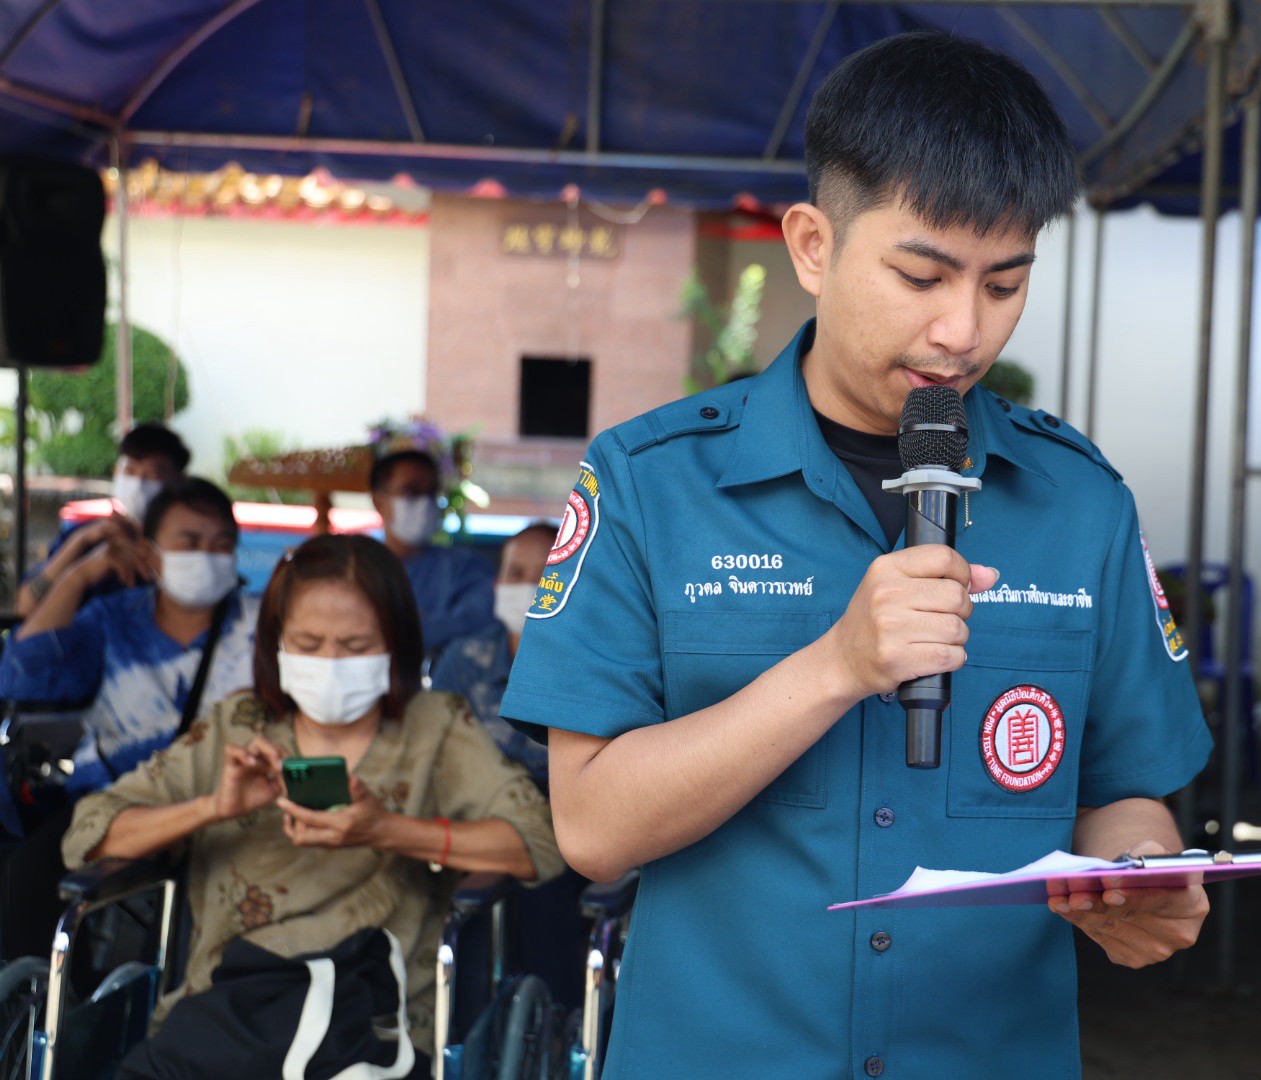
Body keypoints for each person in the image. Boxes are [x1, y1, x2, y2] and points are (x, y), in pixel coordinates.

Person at [500, 32, 1212, 1079]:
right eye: (921, 276)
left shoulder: (1081, 506)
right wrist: (835, 667)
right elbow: (594, 829)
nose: (961, 331)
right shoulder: (651, 484)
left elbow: (1126, 793)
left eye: (1004, 285)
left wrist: (1139, 877)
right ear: (812, 247)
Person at [59, 534, 564, 1070]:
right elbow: (89, 834)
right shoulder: (239, 725)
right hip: (224, 1012)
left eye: (355, 646)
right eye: (307, 643)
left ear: (395, 643)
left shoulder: (435, 727)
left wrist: (386, 830)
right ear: (275, 643)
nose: (330, 662)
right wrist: (211, 808)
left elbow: (540, 842)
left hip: (371, 1023)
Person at [0, 477, 257, 960]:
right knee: (26, 882)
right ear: (151, 553)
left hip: (230, 807)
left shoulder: (260, 626)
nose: (207, 556)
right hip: (112, 805)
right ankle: (65, 1001)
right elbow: (20, 675)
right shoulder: (112, 619)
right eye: (189, 542)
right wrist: (80, 576)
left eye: (222, 544)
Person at [18, 423, 192, 617]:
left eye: (153, 474)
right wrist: (79, 546)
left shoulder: (190, 547)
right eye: (129, 471)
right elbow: (24, 606)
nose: (138, 484)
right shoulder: (86, 537)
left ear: (179, 480)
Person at [431, 523, 557, 778]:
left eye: (545, 576)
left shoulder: (592, 675)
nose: (529, 586)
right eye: (516, 573)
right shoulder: (463, 661)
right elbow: (435, 749)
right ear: (497, 583)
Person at [369, 449, 498, 655]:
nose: (424, 503)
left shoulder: (465, 568)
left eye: (431, 494)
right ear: (379, 501)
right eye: (411, 492)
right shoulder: (358, 568)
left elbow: (479, 620)